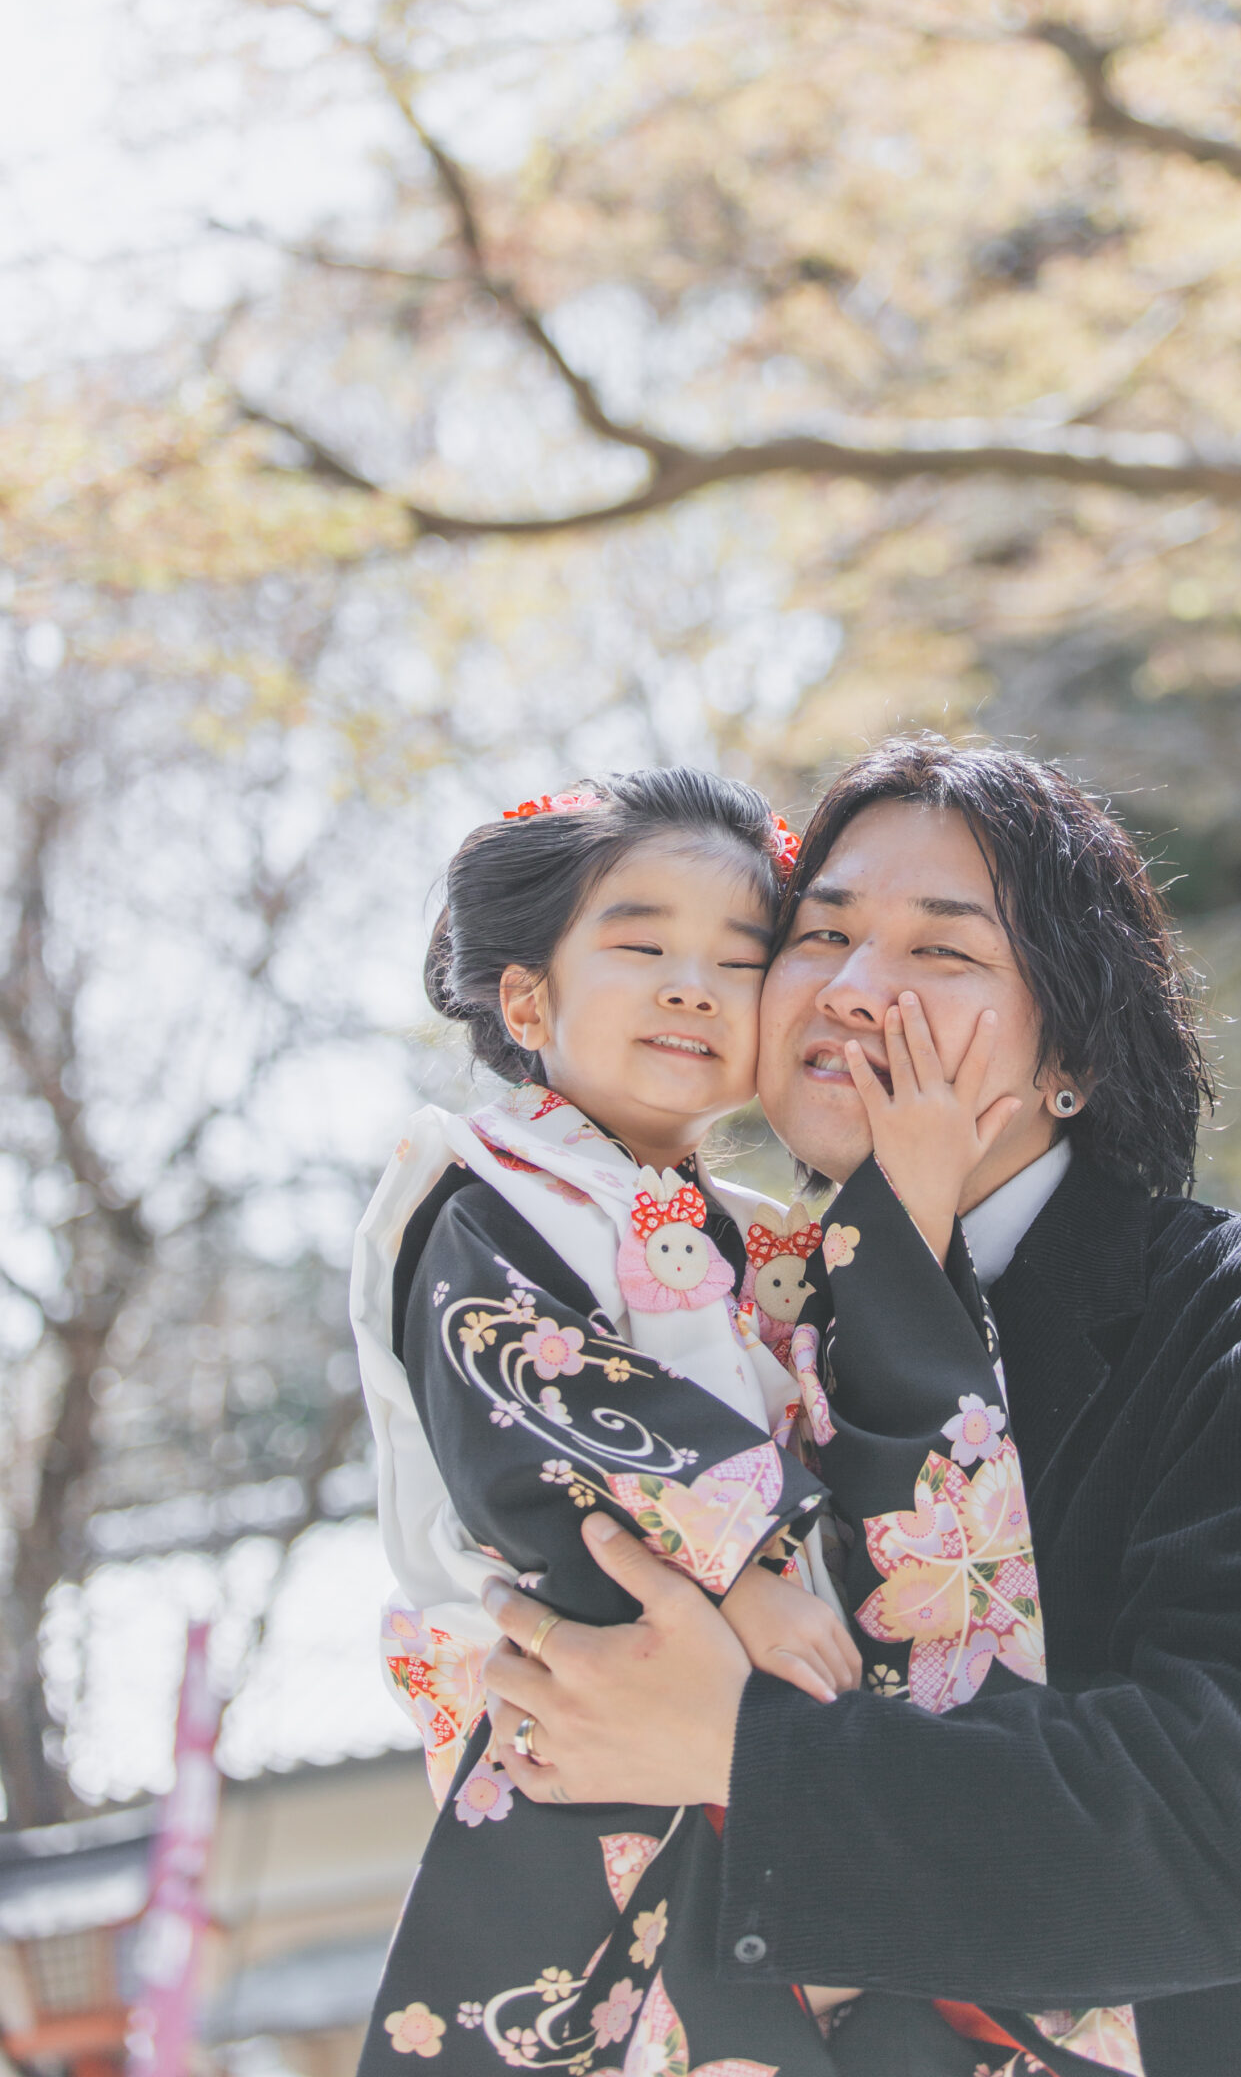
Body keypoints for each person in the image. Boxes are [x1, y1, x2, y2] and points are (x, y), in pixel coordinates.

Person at [481, 737, 1241, 2077]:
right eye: (820, 935)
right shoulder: (719, 1344)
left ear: (1072, 1051)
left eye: (943, 950)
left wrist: (747, 1757)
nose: (852, 990)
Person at [350, 764, 1132, 2077]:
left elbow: (870, 1402)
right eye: (642, 947)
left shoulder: (729, 1227)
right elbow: (532, 1405)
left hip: (765, 1696)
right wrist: (750, 1567)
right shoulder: (486, 1193)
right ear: (527, 1000)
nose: (693, 989)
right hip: (598, 1663)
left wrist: (910, 1204)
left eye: (739, 959)